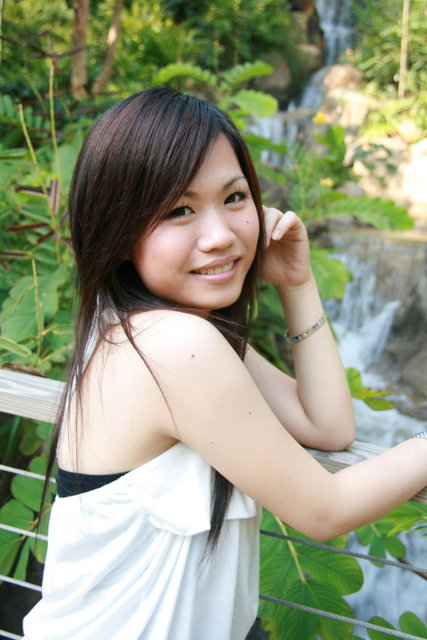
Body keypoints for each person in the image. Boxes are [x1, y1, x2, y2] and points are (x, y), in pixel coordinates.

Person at [23, 87, 427, 640]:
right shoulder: (173, 346)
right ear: (117, 229)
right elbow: (326, 510)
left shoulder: (144, 327)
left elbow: (329, 427)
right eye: (179, 210)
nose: (220, 236)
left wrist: (296, 282)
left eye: (235, 198)